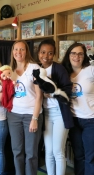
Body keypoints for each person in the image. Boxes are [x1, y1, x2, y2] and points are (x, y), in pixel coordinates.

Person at [37, 39, 73, 175]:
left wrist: (52, 95)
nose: (46, 56)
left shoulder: (59, 68)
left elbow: (68, 89)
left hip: (60, 114)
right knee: (49, 150)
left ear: (54, 54)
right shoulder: (37, 69)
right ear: (38, 53)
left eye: (50, 53)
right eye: (43, 52)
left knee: (58, 150)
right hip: (46, 114)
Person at [7, 40, 43, 175]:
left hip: (31, 115)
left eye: (22, 49)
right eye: (16, 49)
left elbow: (39, 96)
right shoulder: (9, 71)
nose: (18, 52)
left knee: (31, 153)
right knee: (17, 152)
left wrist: (35, 118)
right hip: (14, 115)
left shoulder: (34, 68)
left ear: (27, 51)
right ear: (12, 52)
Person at [62, 42, 94, 175]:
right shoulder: (65, 73)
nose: (77, 56)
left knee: (90, 157)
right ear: (69, 55)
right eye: (73, 53)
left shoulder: (90, 70)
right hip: (73, 120)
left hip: (90, 121)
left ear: (84, 56)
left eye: (80, 53)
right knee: (78, 155)